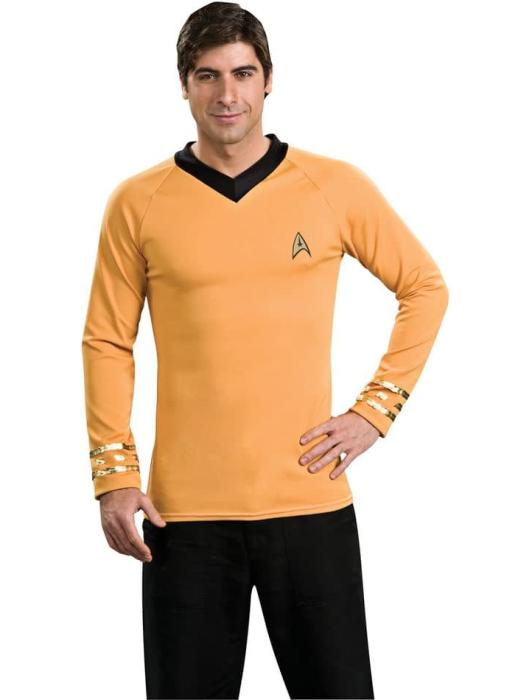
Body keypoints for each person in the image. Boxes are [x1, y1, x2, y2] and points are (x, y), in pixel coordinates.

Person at [81, 2, 449, 698]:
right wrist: (113, 473)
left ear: (269, 79)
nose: (228, 94)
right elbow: (106, 339)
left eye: (243, 73)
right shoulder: (137, 202)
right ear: (184, 85)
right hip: (183, 516)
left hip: (309, 502)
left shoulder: (333, 186)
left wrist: (375, 412)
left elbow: (425, 287)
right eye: (208, 75)